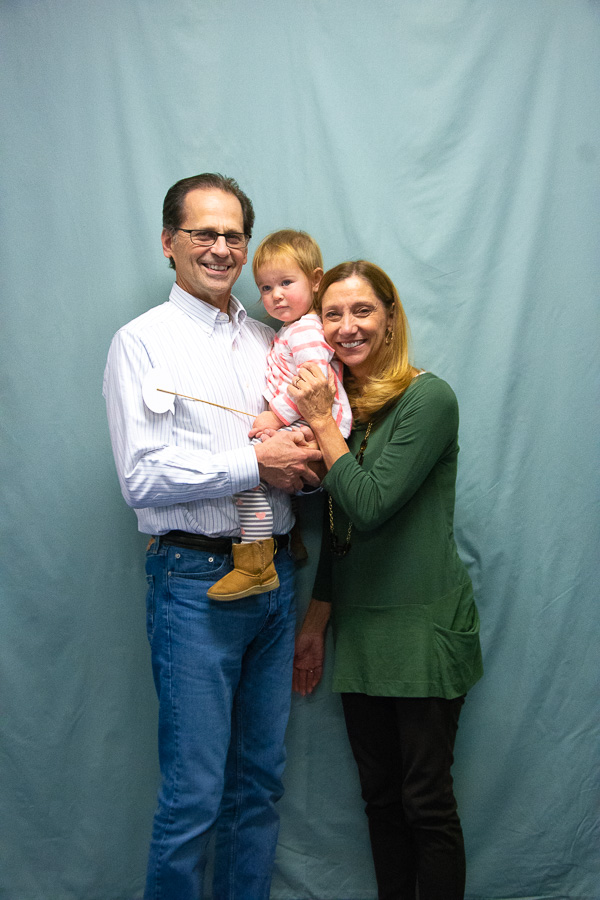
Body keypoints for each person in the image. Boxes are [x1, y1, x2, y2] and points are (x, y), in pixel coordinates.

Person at [103, 173, 321, 900]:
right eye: (204, 233)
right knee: (195, 795)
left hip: (277, 579)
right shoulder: (141, 344)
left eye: (234, 235)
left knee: (259, 785)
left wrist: (305, 469)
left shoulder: (273, 340)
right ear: (170, 243)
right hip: (194, 586)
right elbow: (142, 479)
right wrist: (253, 458)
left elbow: (303, 445)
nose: (222, 248)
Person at [290, 260, 483, 900]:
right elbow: (342, 531)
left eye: (363, 311)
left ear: (390, 318)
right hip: (365, 634)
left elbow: (369, 502)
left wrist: (318, 422)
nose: (347, 328)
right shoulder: (350, 413)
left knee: (425, 802)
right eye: (333, 314)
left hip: (422, 632)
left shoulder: (428, 398)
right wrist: (317, 623)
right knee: (380, 801)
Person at [208, 229, 352, 601]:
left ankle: (256, 559)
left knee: (252, 469)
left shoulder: (305, 331)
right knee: (273, 469)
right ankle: (290, 538)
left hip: (313, 420)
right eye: (266, 288)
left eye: (287, 283)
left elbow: (315, 384)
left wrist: (274, 416)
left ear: (316, 281)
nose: (276, 295)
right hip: (307, 421)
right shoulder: (292, 330)